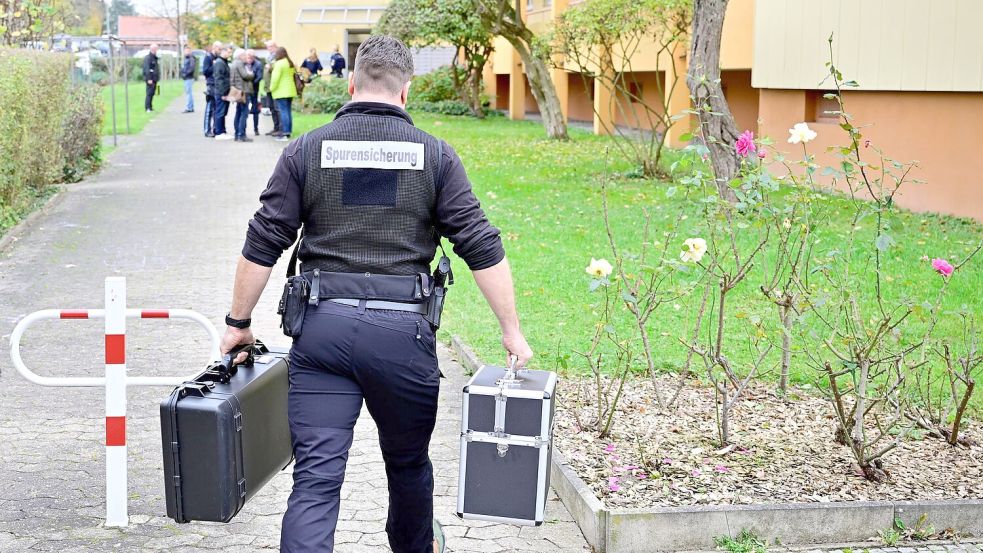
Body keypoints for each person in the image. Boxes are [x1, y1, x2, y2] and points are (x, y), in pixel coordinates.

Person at [218, 34, 532, 553]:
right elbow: (480, 244)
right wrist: (511, 331)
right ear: (406, 91)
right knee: (408, 466)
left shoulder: (306, 149)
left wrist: (238, 324)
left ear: (351, 84)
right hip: (402, 337)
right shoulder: (435, 156)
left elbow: (263, 240)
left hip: (322, 333)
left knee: (316, 479)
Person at [269, 46, 297, 142]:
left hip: (281, 91)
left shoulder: (279, 64)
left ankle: (284, 133)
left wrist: (271, 88)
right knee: (288, 112)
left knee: (283, 112)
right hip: (290, 90)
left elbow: (275, 79)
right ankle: (288, 131)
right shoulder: (289, 63)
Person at [230, 49, 255, 142]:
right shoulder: (240, 63)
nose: (245, 57)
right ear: (240, 56)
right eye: (244, 55)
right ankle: (241, 135)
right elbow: (245, 75)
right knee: (244, 114)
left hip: (237, 91)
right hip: (243, 91)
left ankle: (237, 134)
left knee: (238, 113)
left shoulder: (233, 63)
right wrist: (252, 74)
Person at [202, 41, 223, 137]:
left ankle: (216, 129)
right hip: (211, 85)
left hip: (218, 85)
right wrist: (214, 65)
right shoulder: (208, 57)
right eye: (219, 49)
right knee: (209, 109)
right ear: (214, 47)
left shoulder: (218, 58)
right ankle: (207, 130)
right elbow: (205, 71)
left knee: (216, 109)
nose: (220, 51)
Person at [263, 40, 282, 136]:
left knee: (277, 108)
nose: (268, 48)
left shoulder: (277, 57)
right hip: (268, 87)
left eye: (270, 46)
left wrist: (269, 67)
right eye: (267, 47)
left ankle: (280, 129)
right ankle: (275, 127)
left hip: (275, 87)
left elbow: (276, 69)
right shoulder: (269, 57)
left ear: (275, 46)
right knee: (272, 108)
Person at [213, 46, 232, 141]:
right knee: (220, 112)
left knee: (223, 112)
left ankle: (222, 131)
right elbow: (219, 79)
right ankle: (219, 132)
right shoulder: (220, 63)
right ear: (223, 52)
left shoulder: (223, 62)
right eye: (228, 52)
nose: (229, 54)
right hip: (221, 92)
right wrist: (223, 93)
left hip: (224, 91)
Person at [247, 50, 263, 136]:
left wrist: (252, 84)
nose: (249, 59)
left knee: (255, 110)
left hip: (254, 90)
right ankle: (243, 129)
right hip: (245, 91)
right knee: (244, 110)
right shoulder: (244, 63)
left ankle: (256, 129)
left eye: (250, 58)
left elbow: (259, 77)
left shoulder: (258, 64)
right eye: (248, 57)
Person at [142, 44, 159, 112]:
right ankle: (147, 108)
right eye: (156, 49)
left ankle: (150, 107)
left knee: (152, 93)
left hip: (154, 79)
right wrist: (149, 79)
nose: (157, 51)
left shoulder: (155, 58)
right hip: (150, 79)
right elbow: (147, 69)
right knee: (149, 93)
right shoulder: (148, 58)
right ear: (153, 49)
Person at [180, 46, 196, 113]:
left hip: (189, 78)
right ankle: (191, 107)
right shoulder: (186, 58)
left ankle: (189, 107)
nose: (186, 52)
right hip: (187, 78)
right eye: (185, 51)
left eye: (187, 51)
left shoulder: (191, 59)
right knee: (189, 93)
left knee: (188, 93)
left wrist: (185, 74)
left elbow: (191, 68)